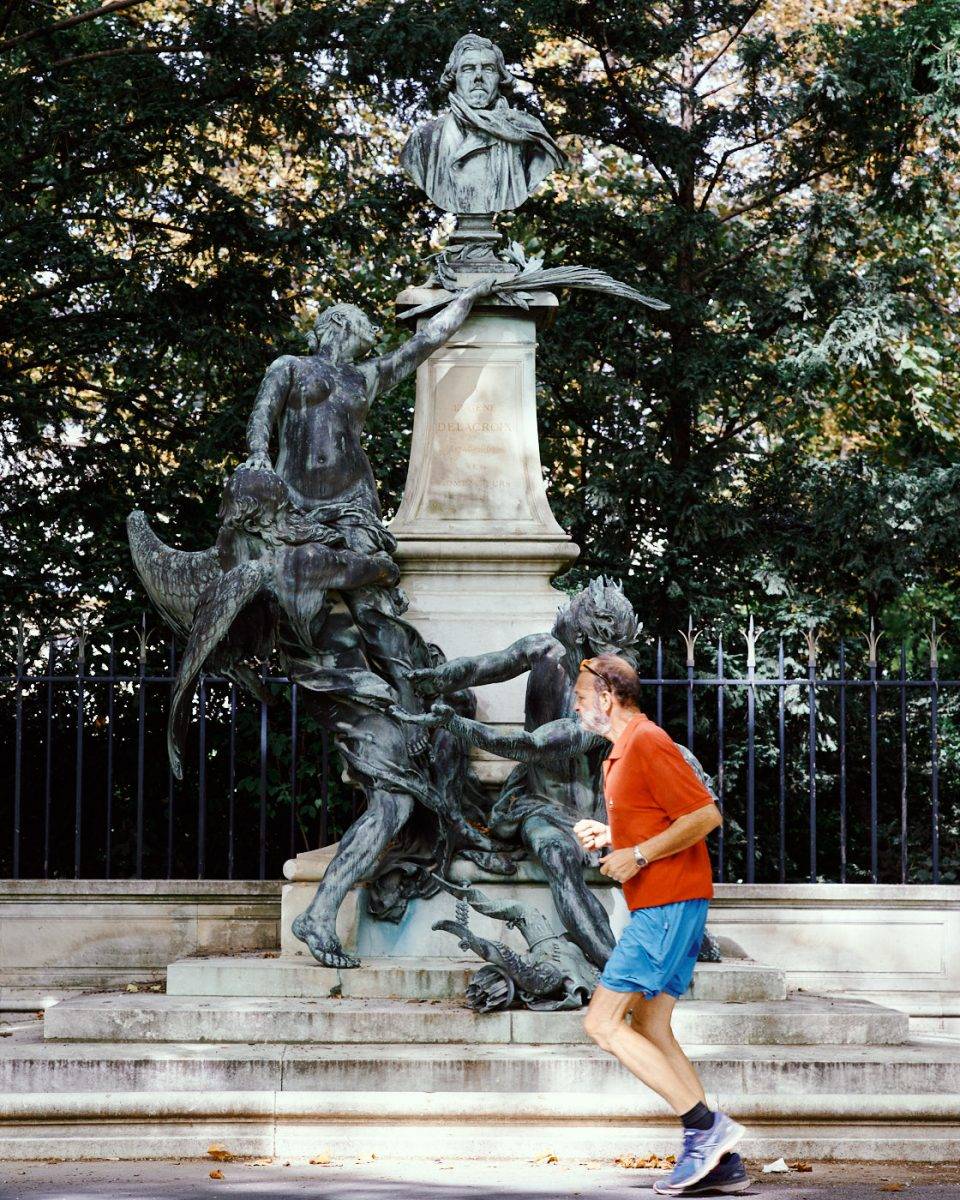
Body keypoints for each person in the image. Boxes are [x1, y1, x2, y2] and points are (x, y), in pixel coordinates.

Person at [572, 654, 749, 1196]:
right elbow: (661, 818)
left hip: (666, 905)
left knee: (601, 1024)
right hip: (669, 903)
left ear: (607, 697)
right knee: (650, 1027)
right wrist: (614, 840)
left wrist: (639, 856)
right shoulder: (621, 753)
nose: (575, 705)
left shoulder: (647, 741)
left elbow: (705, 815)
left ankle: (706, 1129)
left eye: (580, 695)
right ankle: (722, 1164)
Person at [400, 33, 565, 214]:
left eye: (488, 69)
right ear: (454, 78)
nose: (478, 77)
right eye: (468, 69)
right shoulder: (424, 141)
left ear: (500, 78)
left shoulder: (529, 134)